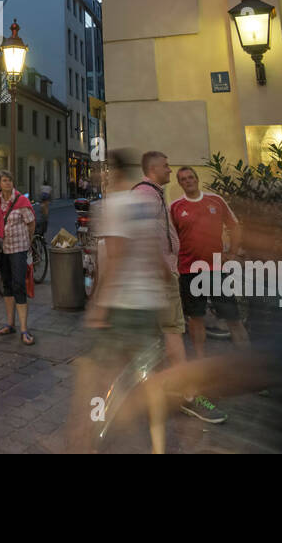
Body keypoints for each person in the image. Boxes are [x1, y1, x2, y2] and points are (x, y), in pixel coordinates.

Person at [74, 149, 183, 453]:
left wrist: (98, 306)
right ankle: (159, 446)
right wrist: (163, 287)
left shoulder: (112, 205)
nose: (100, 177)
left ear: (112, 172)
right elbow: (157, 255)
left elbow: (115, 261)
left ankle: (89, 442)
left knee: (100, 378)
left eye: (102, 171)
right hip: (148, 304)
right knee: (150, 379)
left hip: (123, 307)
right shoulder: (143, 205)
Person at [135, 152, 226, 424]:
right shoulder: (146, 195)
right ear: (152, 169)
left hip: (156, 276)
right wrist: (165, 271)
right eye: (166, 166)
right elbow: (144, 236)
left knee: (160, 336)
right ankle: (188, 395)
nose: (170, 170)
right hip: (161, 277)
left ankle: (160, 392)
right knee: (174, 332)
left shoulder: (152, 194)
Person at [171, 166, 248, 360]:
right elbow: (170, 239)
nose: (188, 181)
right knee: (196, 319)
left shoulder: (216, 201)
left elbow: (235, 226)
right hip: (189, 271)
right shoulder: (175, 207)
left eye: (190, 177)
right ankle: (201, 363)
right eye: (183, 179)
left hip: (216, 269)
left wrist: (232, 253)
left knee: (233, 318)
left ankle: (249, 364)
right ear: (180, 183)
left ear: (197, 179)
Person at [0, 170, 37, 345]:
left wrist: (28, 241)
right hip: (3, 248)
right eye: (4, 180)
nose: (8, 183)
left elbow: (31, 223)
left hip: (18, 249)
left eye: (10, 180)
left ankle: (24, 329)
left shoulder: (21, 201)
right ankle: (10, 324)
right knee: (7, 285)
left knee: (19, 285)